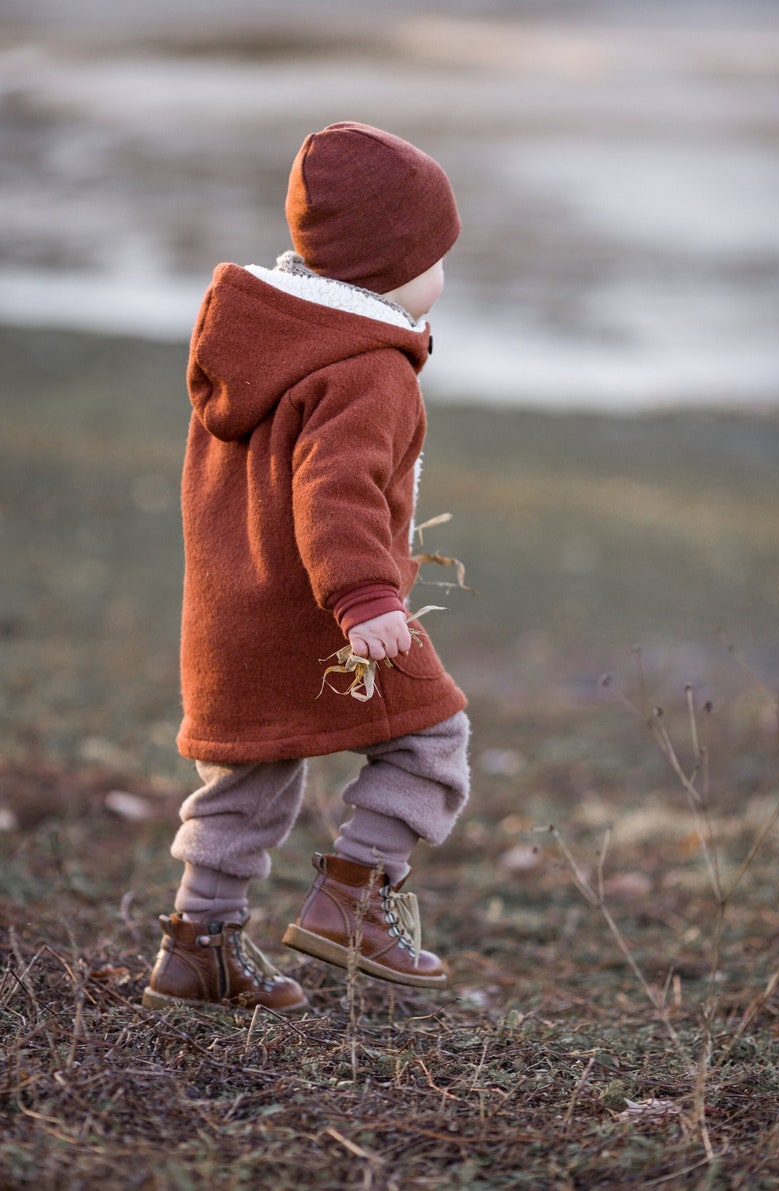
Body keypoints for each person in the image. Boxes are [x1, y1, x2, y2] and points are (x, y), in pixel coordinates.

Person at [142, 122, 470, 1013]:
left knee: (248, 777)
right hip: (327, 618)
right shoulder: (367, 369)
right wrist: (365, 595)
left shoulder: (258, 342)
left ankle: (198, 947)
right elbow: (337, 491)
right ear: (390, 268)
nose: (443, 277)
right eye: (436, 257)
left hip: (230, 615)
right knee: (433, 740)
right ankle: (353, 896)